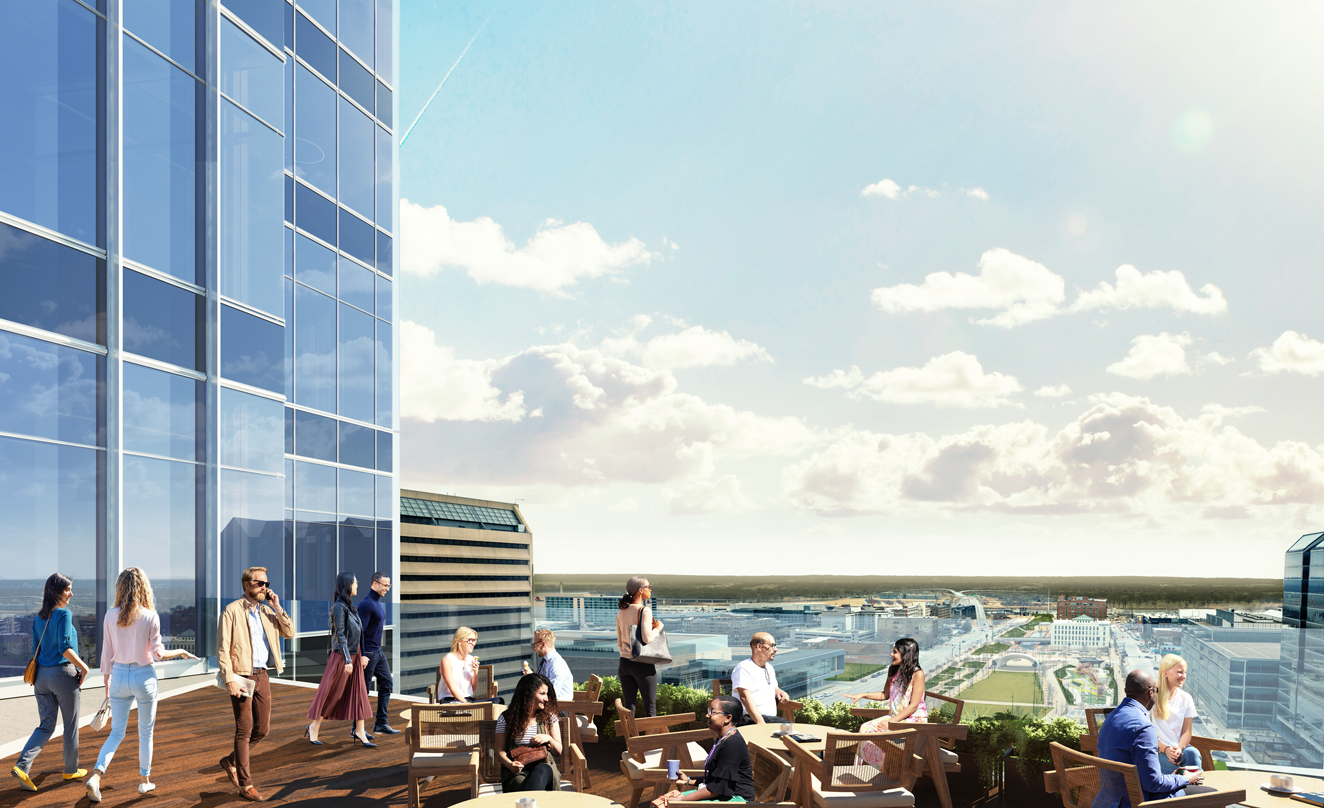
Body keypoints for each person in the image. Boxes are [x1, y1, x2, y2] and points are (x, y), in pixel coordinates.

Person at [85, 568, 198, 802]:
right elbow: (158, 655)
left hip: (117, 676)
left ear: (120, 587)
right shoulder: (150, 616)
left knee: (116, 733)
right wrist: (182, 651)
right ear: (143, 587)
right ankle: (144, 782)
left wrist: (107, 683)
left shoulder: (109, 615)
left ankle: (96, 776)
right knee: (145, 733)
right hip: (143, 677)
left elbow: (106, 654)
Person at [217, 566, 295, 802]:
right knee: (244, 729)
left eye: (267, 584)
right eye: (260, 583)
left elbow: (289, 633)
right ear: (246, 585)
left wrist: (277, 607)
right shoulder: (231, 611)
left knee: (263, 729)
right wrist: (229, 678)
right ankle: (246, 783)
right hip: (241, 675)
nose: (265, 588)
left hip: (263, 675)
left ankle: (230, 761)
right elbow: (222, 649)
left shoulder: (266, 612)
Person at [12, 573, 92, 792]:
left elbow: (35, 651)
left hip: (41, 678)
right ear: (57, 592)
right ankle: (71, 769)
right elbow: (65, 649)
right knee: (70, 725)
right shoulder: (63, 614)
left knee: (46, 725)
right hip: (62, 675)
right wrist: (84, 667)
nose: (71, 593)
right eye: (68, 589)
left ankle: (22, 766)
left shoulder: (39, 618)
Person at [1093, 670, 1203, 807]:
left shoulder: (1111, 718)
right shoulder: (1143, 726)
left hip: (1109, 800)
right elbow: (1153, 783)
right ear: (1151, 692)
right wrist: (1183, 778)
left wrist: (1173, 776)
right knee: (1209, 794)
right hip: (1136, 802)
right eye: (1156, 690)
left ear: (1126, 690)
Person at [306, 572, 375, 747]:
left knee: (359, 692)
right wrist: (347, 660)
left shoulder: (350, 606)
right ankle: (314, 727)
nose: (358, 585)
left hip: (355, 656)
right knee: (332, 693)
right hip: (342, 657)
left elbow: (360, 634)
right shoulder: (338, 607)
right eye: (355, 582)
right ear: (347, 585)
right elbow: (340, 635)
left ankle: (360, 730)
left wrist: (362, 655)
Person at [657, 695, 755, 804]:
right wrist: (688, 780)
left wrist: (680, 800)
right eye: (709, 711)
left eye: (713, 712)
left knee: (665, 804)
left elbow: (718, 788)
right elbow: (717, 779)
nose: (707, 715)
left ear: (728, 718)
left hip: (737, 800)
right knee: (661, 802)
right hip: (723, 793)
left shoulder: (732, 744)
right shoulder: (723, 739)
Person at [845, 638, 927, 768]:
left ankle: (885, 770)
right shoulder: (893, 670)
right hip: (895, 718)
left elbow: (913, 706)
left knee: (878, 734)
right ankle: (870, 769)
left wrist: (891, 721)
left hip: (914, 720)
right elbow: (885, 695)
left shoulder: (918, 674)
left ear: (905, 654)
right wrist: (863, 695)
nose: (891, 655)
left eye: (895, 652)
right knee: (865, 728)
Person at [495, 673, 563, 792]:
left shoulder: (549, 717)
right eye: (542, 694)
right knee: (519, 782)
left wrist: (549, 739)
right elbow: (500, 750)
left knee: (542, 771)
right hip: (518, 769)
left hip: (544, 765)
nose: (546, 698)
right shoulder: (505, 718)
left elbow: (558, 751)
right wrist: (510, 765)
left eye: (547, 694)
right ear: (528, 694)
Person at [616, 576, 664, 717]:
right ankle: (651, 739)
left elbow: (619, 641)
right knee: (650, 708)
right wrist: (658, 628)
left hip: (624, 663)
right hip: (642, 663)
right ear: (641, 590)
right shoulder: (644, 611)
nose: (650, 589)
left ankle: (630, 738)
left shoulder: (622, 610)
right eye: (649, 587)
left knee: (629, 707)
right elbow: (646, 637)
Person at [358, 572, 399, 735]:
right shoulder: (367, 604)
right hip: (368, 653)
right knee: (363, 692)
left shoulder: (377, 603)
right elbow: (359, 630)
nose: (387, 589)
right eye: (385, 585)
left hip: (378, 652)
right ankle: (357, 728)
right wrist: (361, 654)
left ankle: (381, 723)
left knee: (387, 683)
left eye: (389, 585)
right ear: (375, 584)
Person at [1150, 654, 1200, 775]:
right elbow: (1144, 735)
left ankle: (1193, 787)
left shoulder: (1186, 698)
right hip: (1159, 751)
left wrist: (1179, 748)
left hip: (1180, 750)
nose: (1183, 676)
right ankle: (1191, 788)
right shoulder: (1151, 697)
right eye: (1179, 672)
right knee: (1171, 762)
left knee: (1192, 752)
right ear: (1165, 673)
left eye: (1185, 672)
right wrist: (1166, 749)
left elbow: (1187, 732)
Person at [731, 632, 790, 724]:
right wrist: (761, 724)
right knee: (787, 727)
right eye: (772, 646)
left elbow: (773, 688)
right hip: (750, 719)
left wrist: (780, 692)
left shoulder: (769, 668)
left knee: (789, 730)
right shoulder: (744, 667)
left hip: (768, 719)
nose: (776, 649)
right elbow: (745, 697)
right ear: (759, 647)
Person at [523, 629, 573, 704]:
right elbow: (543, 684)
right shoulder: (547, 661)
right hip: (550, 704)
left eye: (535, 645)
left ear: (543, 644)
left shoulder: (557, 664)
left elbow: (550, 693)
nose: (534, 649)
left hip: (559, 707)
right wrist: (532, 677)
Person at [436, 627, 480, 703]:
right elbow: (452, 689)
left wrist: (475, 673)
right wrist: (467, 704)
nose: (473, 643)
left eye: (474, 640)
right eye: (470, 640)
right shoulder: (447, 660)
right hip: (451, 700)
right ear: (459, 641)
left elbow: (473, 688)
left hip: (468, 699)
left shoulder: (471, 659)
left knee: (499, 700)